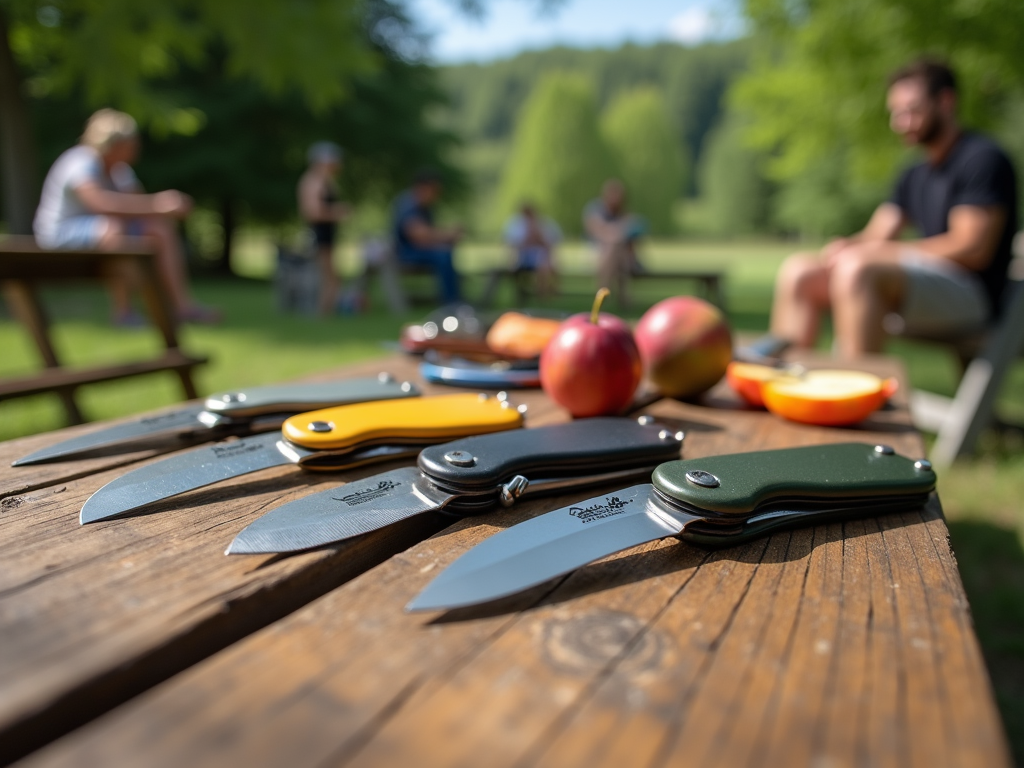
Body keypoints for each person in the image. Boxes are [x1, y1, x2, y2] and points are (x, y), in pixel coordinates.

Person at [769, 59, 1018, 359]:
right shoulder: (914, 173)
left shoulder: (981, 159)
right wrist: (849, 245)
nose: (899, 123)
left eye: (911, 111)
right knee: (800, 271)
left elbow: (971, 249)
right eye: (896, 113)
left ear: (946, 102)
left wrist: (878, 254)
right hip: (920, 288)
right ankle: (783, 387)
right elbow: (878, 235)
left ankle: (854, 395)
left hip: (975, 297)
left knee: (860, 270)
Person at [33, 108, 221, 325]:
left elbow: (138, 207)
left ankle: (182, 307)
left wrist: (160, 210)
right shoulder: (81, 162)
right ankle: (124, 312)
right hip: (59, 235)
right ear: (114, 144)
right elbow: (101, 204)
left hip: (101, 230)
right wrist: (159, 204)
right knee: (113, 227)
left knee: (158, 228)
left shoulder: (119, 170)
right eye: (132, 143)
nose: (137, 147)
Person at [392, 168, 462, 304]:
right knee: (443, 255)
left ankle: (455, 300)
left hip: (418, 250)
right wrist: (447, 234)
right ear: (424, 187)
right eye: (435, 190)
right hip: (405, 253)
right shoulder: (409, 204)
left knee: (446, 252)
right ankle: (451, 302)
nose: (437, 195)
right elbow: (417, 235)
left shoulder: (424, 206)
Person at [298, 141, 350, 316]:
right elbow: (312, 212)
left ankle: (326, 313)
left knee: (331, 277)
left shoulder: (324, 181)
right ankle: (322, 314)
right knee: (327, 277)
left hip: (326, 236)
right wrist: (338, 212)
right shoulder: (314, 181)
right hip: (319, 236)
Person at [583, 179, 646, 305]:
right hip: (598, 253)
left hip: (621, 258)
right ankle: (623, 297)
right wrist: (617, 233)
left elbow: (635, 231)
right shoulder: (595, 210)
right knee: (615, 246)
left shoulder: (623, 212)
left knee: (617, 248)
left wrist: (616, 233)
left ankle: (601, 292)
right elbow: (599, 232)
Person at [503, 202, 561, 297]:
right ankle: (542, 293)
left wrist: (539, 237)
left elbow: (550, 246)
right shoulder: (516, 226)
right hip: (521, 259)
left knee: (545, 263)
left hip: (540, 259)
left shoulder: (543, 224)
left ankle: (544, 292)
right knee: (544, 263)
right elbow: (512, 247)